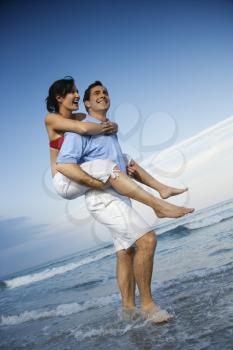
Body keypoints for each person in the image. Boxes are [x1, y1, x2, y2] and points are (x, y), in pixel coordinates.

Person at [56, 80, 195, 323]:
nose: (102, 95)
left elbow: (116, 165)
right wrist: (95, 184)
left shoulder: (109, 129)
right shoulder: (80, 129)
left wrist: (123, 167)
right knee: (147, 240)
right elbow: (65, 164)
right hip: (103, 198)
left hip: (119, 196)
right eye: (96, 93)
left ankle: (128, 311)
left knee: (125, 252)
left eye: (105, 92)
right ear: (87, 103)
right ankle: (149, 306)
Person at [45, 77, 194, 218]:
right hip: (63, 178)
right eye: (72, 92)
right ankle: (159, 207)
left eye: (77, 91)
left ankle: (162, 189)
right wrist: (110, 127)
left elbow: (96, 125)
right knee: (108, 167)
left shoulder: (78, 116)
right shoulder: (51, 118)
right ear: (59, 98)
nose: (77, 95)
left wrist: (114, 126)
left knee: (124, 159)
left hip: (77, 170)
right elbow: (84, 129)